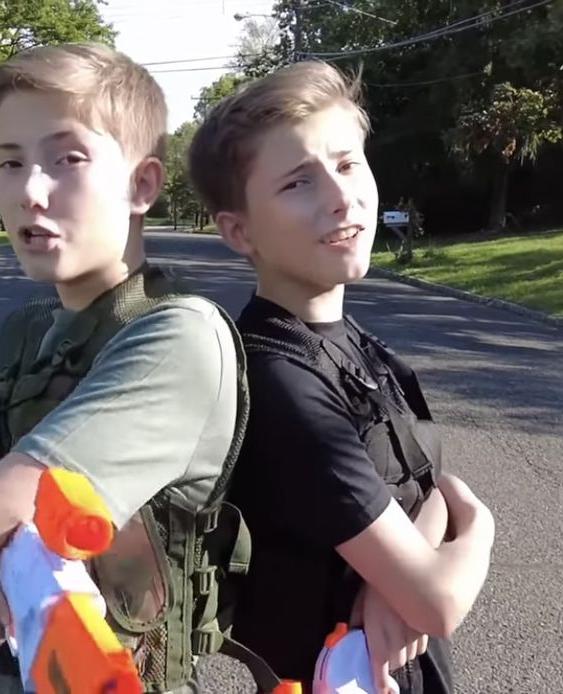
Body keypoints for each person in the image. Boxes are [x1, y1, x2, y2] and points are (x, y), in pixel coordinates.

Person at [0, 43, 252, 694]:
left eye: (67, 159)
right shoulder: (25, 333)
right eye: (10, 162)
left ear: (142, 185)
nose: (30, 191)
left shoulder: (179, 336)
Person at [188, 60, 495, 693]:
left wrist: (392, 584)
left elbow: (428, 485)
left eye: (348, 163)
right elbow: (439, 601)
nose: (341, 195)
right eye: (299, 182)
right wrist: (478, 526)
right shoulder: (278, 379)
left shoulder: (359, 346)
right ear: (238, 230)